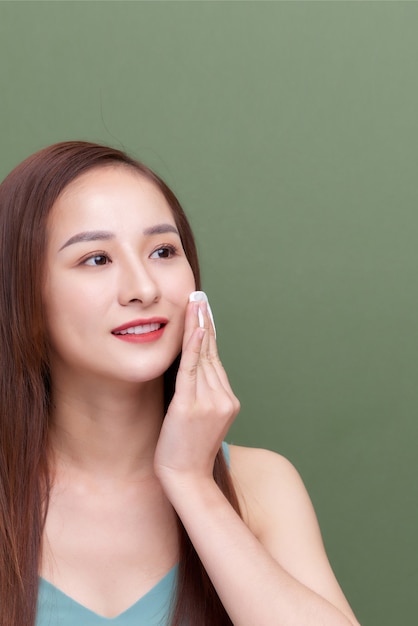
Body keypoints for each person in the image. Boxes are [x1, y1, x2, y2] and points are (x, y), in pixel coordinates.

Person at [0, 141, 361, 626]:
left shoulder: (261, 485)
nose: (144, 289)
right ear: (25, 294)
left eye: (163, 251)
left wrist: (191, 483)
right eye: (96, 259)